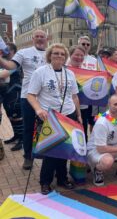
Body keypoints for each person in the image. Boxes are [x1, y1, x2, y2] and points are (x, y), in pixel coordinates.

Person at [27, 43, 82, 195]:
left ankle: (62, 178)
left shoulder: (69, 73)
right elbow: (30, 95)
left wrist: (78, 115)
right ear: (49, 55)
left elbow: (74, 96)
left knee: (65, 150)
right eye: (55, 53)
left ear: (66, 57)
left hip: (68, 115)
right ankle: (45, 181)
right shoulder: (40, 72)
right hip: (50, 117)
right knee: (50, 151)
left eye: (62, 54)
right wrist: (38, 109)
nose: (59, 56)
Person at [0, 29, 47, 170]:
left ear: (46, 39)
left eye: (42, 37)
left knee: (48, 129)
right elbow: (10, 66)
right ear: (33, 39)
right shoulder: (24, 52)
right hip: (27, 96)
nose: (39, 39)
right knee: (28, 128)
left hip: (46, 98)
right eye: (37, 36)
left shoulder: (51, 53)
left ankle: (48, 157)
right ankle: (28, 157)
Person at [87, 94, 117, 186]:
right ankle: (97, 171)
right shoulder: (102, 122)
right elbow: (100, 148)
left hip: (115, 144)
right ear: (109, 105)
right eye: (116, 104)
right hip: (96, 149)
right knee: (108, 161)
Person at [1, 43, 24, 151]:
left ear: (14, 52)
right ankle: (16, 135)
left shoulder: (16, 63)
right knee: (10, 116)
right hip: (6, 94)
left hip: (15, 93)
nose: (5, 52)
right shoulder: (4, 63)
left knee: (17, 116)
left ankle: (22, 139)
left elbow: (3, 75)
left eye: (7, 50)